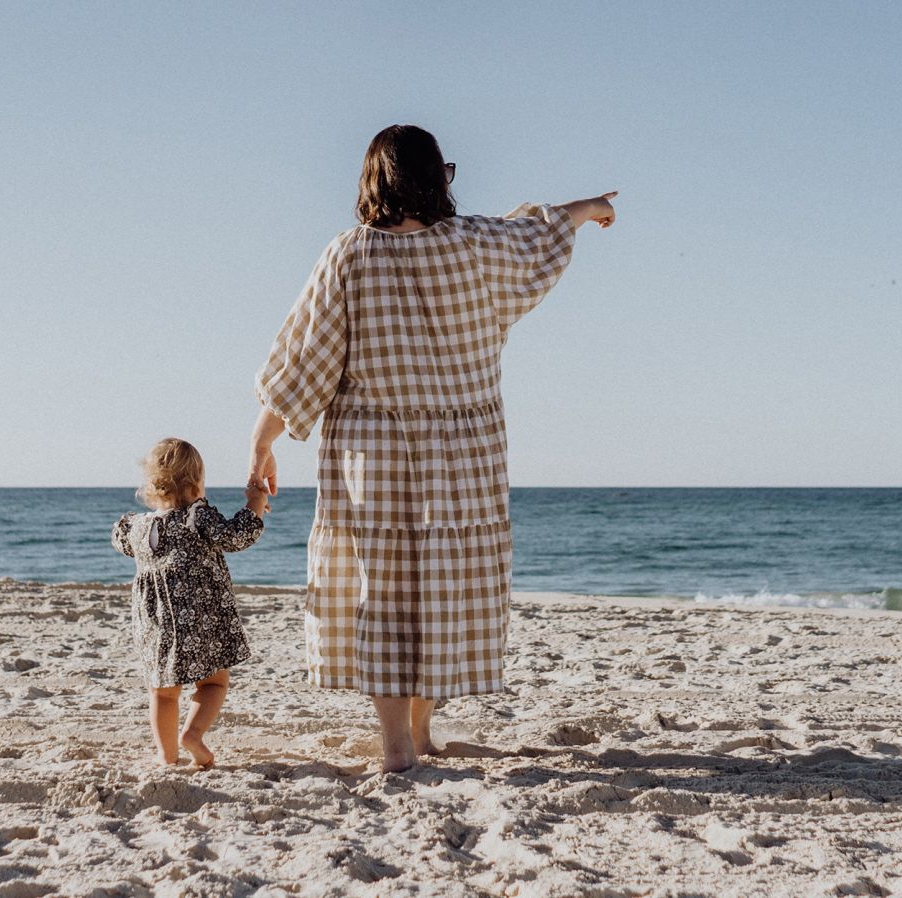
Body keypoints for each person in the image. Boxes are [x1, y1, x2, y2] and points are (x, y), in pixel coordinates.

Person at [247, 124, 616, 772]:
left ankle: (397, 743)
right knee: (444, 587)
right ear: (436, 177)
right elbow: (538, 232)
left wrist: (261, 449)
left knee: (382, 591)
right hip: (463, 452)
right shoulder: (473, 244)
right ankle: (420, 732)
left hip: (372, 453)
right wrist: (588, 209)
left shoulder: (348, 254)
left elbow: (304, 364)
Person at [112, 437, 268, 768]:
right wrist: (255, 502)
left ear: (152, 486)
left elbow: (120, 542)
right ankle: (193, 735)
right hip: (199, 619)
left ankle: (166, 756)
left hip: (155, 625)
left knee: (162, 691)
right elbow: (238, 536)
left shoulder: (136, 527)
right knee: (213, 682)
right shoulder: (198, 518)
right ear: (196, 483)